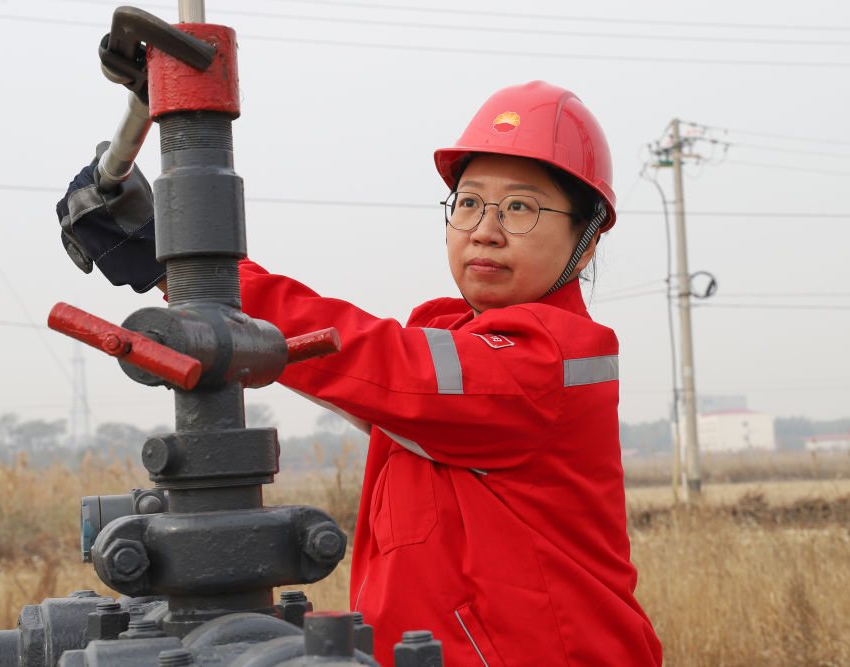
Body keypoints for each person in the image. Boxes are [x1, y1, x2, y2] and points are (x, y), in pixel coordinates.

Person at [59, 81, 662, 666]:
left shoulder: (546, 361)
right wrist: (182, 280)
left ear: (585, 242)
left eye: (520, 208)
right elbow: (358, 383)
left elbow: (377, 364)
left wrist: (178, 265)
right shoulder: (458, 344)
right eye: (470, 203)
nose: (485, 230)